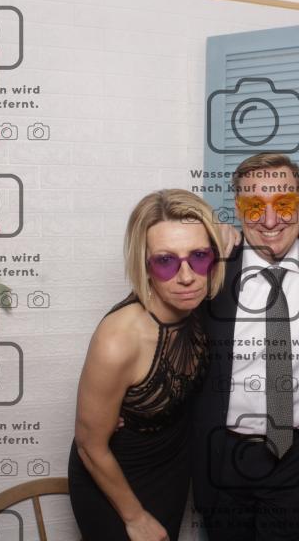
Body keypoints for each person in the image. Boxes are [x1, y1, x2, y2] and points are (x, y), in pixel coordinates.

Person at [191, 153, 299, 540]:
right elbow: (160, 316)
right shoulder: (210, 264)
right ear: (237, 208)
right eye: (253, 206)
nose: (269, 220)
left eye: (283, 203)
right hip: (224, 458)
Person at [68, 189, 226, 541]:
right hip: (115, 483)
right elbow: (90, 446)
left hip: (171, 471)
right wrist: (135, 517)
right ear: (145, 265)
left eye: (199, 256)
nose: (186, 276)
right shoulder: (118, 340)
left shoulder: (194, 303)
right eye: (166, 261)